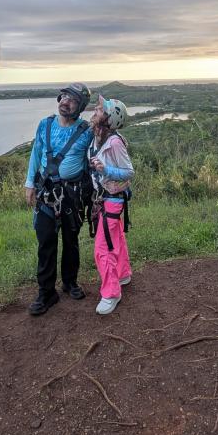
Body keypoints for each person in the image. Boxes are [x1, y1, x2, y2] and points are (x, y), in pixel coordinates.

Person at [24, 82, 94, 316]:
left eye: (72, 99)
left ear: (80, 106)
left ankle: (70, 282)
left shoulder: (86, 131)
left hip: (73, 195)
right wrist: (29, 184)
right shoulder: (45, 125)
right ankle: (46, 292)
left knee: (71, 240)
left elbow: (96, 157)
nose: (65, 101)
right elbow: (36, 153)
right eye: (64, 96)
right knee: (46, 243)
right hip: (46, 193)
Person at [87, 95, 134, 315]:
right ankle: (123, 275)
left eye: (99, 110)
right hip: (104, 198)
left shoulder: (114, 142)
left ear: (109, 118)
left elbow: (128, 172)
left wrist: (105, 170)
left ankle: (111, 293)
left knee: (103, 248)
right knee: (116, 239)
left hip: (112, 199)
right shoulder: (99, 137)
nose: (95, 111)